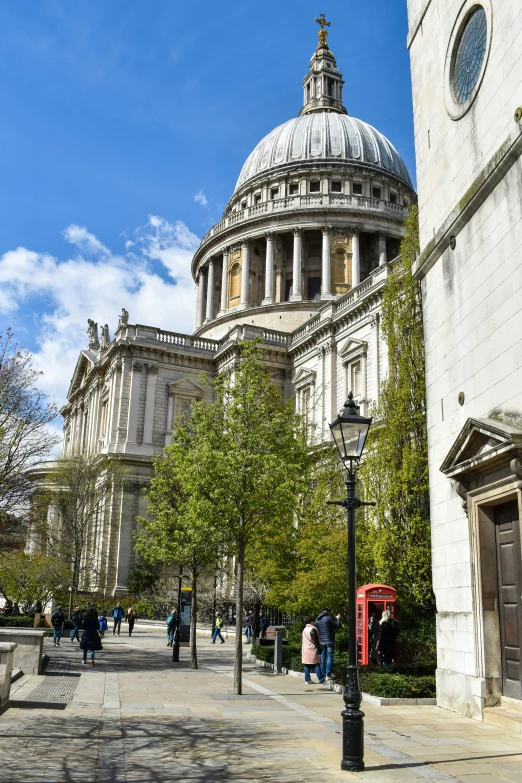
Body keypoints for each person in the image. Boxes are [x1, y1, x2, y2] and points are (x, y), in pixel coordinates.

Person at [315, 607, 341, 682]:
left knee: (322, 657)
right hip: (329, 640)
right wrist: (338, 618)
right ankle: (328, 674)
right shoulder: (329, 618)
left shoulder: (317, 620)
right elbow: (338, 625)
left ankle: (323, 674)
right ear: (325, 611)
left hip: (321, 641)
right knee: (330, 657)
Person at [301, 618, 325, 685]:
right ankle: (321, 680)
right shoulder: (313, 629)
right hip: (312, 649)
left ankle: (307, 680)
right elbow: (316, 640)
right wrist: (319, 648)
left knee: (307, 665)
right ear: (310, 622)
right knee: (316, 664)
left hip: (305, 649)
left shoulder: (304, 629)